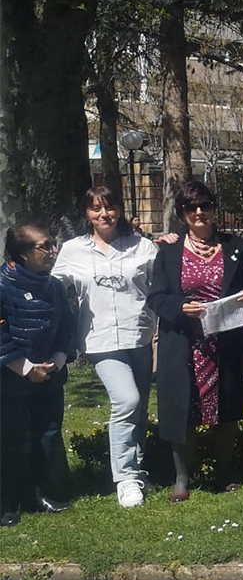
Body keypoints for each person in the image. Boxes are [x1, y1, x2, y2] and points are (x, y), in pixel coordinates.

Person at [148, 180, 243, 500]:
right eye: (191, 207)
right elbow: (156, 297)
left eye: (205, 206)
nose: (199, 212)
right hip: (184, 344)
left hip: (225, 343)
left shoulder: (237, 247)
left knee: (227, 408)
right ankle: (182, 479)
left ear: (213, 209)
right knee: (182, 410)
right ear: (182, 214)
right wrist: (180, 307)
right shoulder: (169, 253)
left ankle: (223, 473)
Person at [52, 187, 157, 508]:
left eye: (109, 208)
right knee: (127, 400)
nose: (103, 214)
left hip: (139, 335)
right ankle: (125, 479)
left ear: (120, 210)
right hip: (100, 340)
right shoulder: (72, 250)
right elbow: (52, 288)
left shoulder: (142, 246)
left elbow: (162, 286)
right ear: (87, 214)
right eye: (96, 209)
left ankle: (138, 469)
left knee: (139, 408)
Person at [1, 222, 76, 526]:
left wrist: (56, 361)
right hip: (9, 379)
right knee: (10, 438)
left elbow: (67, 327)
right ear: (22, 254)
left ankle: (41, 493)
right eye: (45, 246)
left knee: (48, 433)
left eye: (52, 243)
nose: (53, 250)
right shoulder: (2, 286)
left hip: (48, 376)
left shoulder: (54, 286)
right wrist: (25, 368)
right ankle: (6, 502)